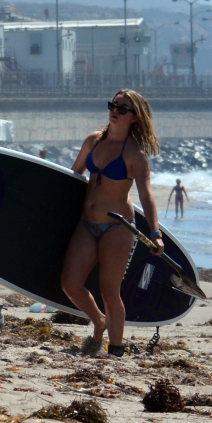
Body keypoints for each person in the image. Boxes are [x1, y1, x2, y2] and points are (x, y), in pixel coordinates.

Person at [60, 89, 163, 357]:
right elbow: (73, 177)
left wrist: (155, 233)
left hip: (117, 227)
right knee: (70, 284)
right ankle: (99, 321)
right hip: (87, 223)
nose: (115, 110)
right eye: (113, 105)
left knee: (109, 291)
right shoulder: (94, 141)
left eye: (123, 108)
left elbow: (146, 195)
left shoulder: (135, 155)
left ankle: (116, 350)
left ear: (135, 118)